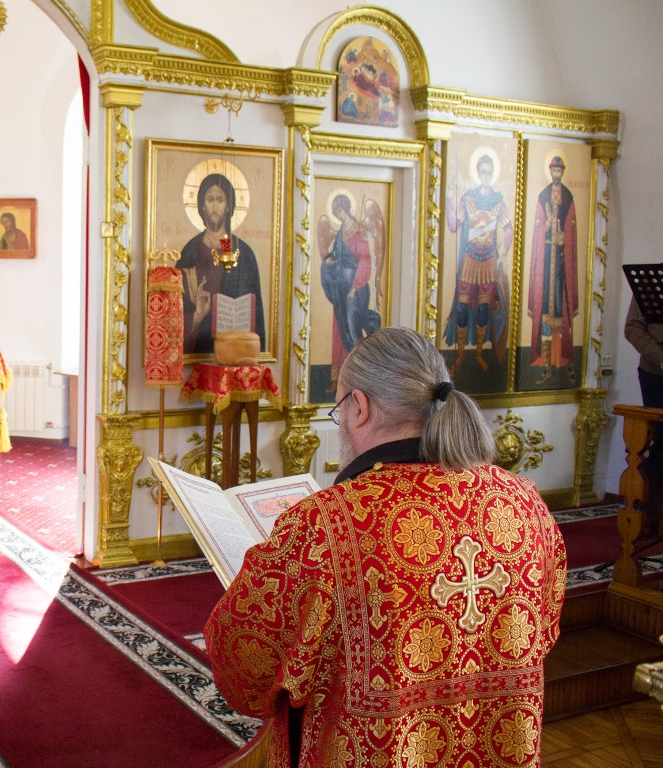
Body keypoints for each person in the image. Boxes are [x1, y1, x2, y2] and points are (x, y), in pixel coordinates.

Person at [204, 327, 566, 768]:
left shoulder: (324, 524)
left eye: (340, 408)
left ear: (359, 406)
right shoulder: (524, 502)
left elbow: (243, 664)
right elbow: (543, 632)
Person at [177, 172, 265, 355]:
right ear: (202, 205)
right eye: (210, 199)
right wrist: (197, 315)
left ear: (228, 206)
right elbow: (176, 309)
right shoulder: (190, 251)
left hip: (233, 349)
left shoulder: (243, 253)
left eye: (221, 200)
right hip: (198, 347)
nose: (215, 206)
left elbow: (255, 311)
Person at [443, 153, 513, 374]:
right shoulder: (468, 198)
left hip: (488, 261)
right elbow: (453, 225)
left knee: (483, 308)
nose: (486, 176)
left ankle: (480, 353)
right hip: (469, 259)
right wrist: (449, 197)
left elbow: (508, 230)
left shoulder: (499, 202)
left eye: (489, 172)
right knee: (462, 308)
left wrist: (504, 254)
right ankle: (460, 355)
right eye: (483, 172)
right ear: (478, 173)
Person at [317, 193, 384, 390]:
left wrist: (355, 286)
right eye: (335, 212)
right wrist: (329, 262)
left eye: (340, 210)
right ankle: (337, 378)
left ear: (346, 208)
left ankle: (359, 379)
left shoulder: (359, 231)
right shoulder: (340, 233)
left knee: (353, 331)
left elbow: (365, 261)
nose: (338, 214)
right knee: (339, 330)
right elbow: (337, 256)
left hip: (356, 289)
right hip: (340, 288)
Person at [527, 155, 579, 384]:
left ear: (562, 172)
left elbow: (572, 230)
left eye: (559, 170)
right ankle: (546, 365)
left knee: (562, 311)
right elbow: (538, 230)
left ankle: (566, 362)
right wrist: (547, 227)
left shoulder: (568, 196)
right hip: (546, 264)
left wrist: (564, 238)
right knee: (546, 315)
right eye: (554, 170)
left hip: (561, 266)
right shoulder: (543, 196)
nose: (557, 174)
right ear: (550, 172)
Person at [624, 292, 663, 536]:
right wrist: (661, 359)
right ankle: (651, 515)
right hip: (655, 373)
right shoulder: (650, 285)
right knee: (661, 442)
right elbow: (632, 328)